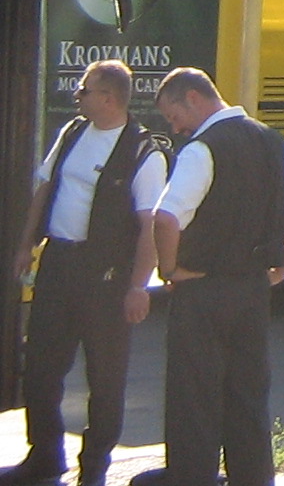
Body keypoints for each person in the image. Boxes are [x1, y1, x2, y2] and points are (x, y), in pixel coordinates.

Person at [131, 68, 284, 486]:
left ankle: (191, 477)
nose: (175, 127)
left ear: (193, 98)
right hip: (253, 289)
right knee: (248, 396)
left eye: (174, 116)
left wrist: (170, 269)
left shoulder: (204, 148)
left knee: (194, 397)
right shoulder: (274, 142)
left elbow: (165, 218)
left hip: (202, 288)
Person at [3, 61, 168, 486]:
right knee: (40, 367)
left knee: (105, 379)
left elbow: (149, 225)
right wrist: (26, 244)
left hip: (106, 277)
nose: (77, 96)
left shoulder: (142, 152)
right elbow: (45, 187)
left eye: (84, 90)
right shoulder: (73, 132)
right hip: (59, 263)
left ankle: (94, 467)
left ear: (109, 98)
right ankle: (45, 456)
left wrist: (138, 286)